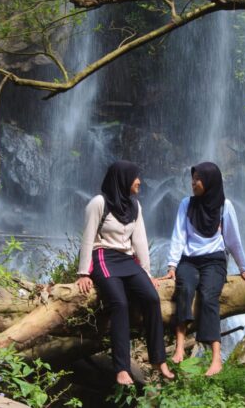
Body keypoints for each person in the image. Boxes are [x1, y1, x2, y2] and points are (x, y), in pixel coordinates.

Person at [76, 160, 174, 385]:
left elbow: (139, 240)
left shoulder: (134, 205)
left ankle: (159, 359)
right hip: (104, 256)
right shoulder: (99, 203)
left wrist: (147, 273)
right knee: (119, 303)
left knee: (151, 297)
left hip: (127, 259)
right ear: (122, 179)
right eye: (135, 177)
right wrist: (83, 273)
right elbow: (88, 237)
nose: (139, 181)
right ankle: (121, 368)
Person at [163, 162, 245, 376]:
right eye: (193, 179)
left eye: (197, 179)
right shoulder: (186, 204)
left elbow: (234, 240)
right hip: (189, 260)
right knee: (185, 288)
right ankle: (179, 346)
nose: (193, 183)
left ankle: (216, 358)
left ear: (209, 182)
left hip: (214, 261)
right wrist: (172, 266)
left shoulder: (225, 206)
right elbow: (178, 236)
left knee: (208, 296)